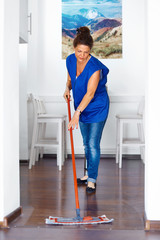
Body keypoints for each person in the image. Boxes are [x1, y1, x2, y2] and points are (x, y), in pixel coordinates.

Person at [63, 26, 110, 194]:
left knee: (92, 144)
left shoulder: (95, 67)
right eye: (79, 51)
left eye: (86, 52)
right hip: (81, 108)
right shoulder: (70, 60)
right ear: (74, 48)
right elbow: (70, 77)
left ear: (90, 51)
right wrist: (67, 88)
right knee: (86, 143)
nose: (81, 55)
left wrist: (77, 114)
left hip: (97, 106)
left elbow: (90, 94)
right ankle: (87, 174)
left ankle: (92, 180)